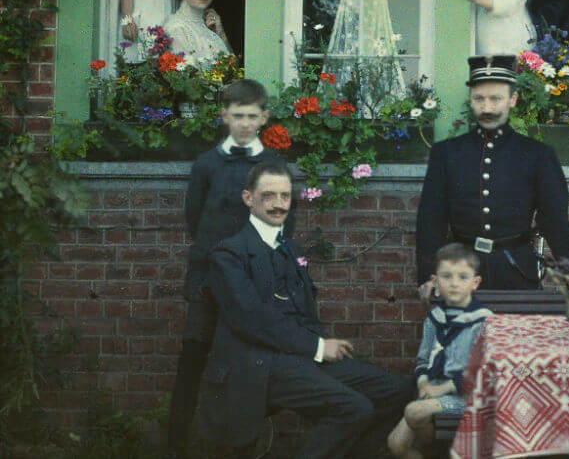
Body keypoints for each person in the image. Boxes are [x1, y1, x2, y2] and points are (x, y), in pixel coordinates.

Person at [199, 163, 411, 458]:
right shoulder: (229, 253)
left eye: (284, 197)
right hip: (258, 364)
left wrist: (315, 349)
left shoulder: (291, 249)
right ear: (248, 198)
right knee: (353, 408)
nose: (278, 205)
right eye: (269, 196)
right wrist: (318, 347)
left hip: (300, 357)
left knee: (397, 392)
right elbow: (250, 318)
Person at [166, 79, 296, 458]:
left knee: (248, 364)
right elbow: (195, 219)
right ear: (224, 116)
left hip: (254, 282)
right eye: (237, 115)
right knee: (193, 360)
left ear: (264, 118)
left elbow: (284, 224)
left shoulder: (273, 166)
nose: (243, 123)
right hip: (210, 278)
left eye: (251, 116)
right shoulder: (207, 164)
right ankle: (177, 445)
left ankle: (244, 446)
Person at [416, 55, 569, 295]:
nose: (487, 108)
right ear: (471, 100)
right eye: (479, 99)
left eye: (496, 99)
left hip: (517, 270)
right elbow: (430, 221)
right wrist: (428, 277)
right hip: (460, 273)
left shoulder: (538, 155)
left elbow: (555, 223)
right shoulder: (447, 153)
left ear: (512, 100)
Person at [388, 243, 492, 459]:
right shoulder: (435, 318)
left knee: (413, 412)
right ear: (436, 282)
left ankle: (433, 447)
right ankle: (433, 450)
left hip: (466, 397)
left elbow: (483, 372)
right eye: (447, 276)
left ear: (475, 283)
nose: (454, 284)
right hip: (432, 392)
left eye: (463, 277)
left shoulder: (483, 321)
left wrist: (442, 388)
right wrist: (423, 383)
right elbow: (423, 360)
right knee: (396, 444)